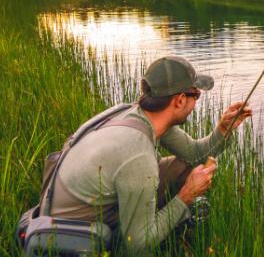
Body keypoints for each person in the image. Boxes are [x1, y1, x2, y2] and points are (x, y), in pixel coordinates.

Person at [40, 56, 252, 252]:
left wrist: (223, 130)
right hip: (74, 230)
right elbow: (138, 245)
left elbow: (194, 155)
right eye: (195, 95)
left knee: (182, 168)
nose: (196, 103)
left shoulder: (137, 114)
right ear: (179, 100)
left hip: (74, 202)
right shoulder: (138, 156)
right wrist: (186, 195)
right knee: (147, 227)